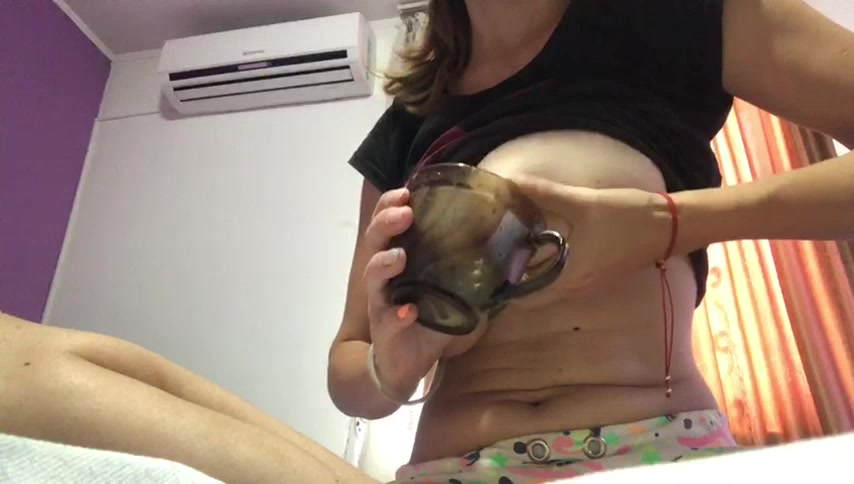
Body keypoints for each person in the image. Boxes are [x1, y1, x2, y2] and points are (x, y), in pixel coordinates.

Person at [0, 0, 851, 483]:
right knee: (61, 366)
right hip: (445, 469)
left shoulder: (674, 17)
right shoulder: (409, 120)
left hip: (643, 454)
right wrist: (391, 365)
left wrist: (672, 223)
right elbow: (351, 370)